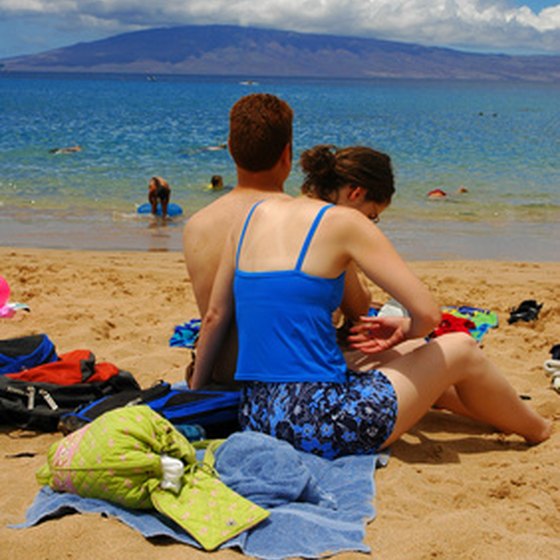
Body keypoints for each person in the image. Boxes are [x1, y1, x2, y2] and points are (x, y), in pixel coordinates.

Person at [189, 144, 551, 459]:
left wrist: (196, 397)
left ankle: (502, 413)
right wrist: (407, 327)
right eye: (374, 216)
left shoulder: (250, 218)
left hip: (257, 416)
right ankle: (540, 431)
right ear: (356, 193)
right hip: (318, 426)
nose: (372, 224)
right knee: (461, 348)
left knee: (399, 357)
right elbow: (428, 313)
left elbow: (215, 317)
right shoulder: (345, 222)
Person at [182, 93, 294, 386]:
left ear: (230, 149)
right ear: (287, 153)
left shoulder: (197, 225)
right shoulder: (306, 220)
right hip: (281, 380)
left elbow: (213, 315)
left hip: (222, 376)